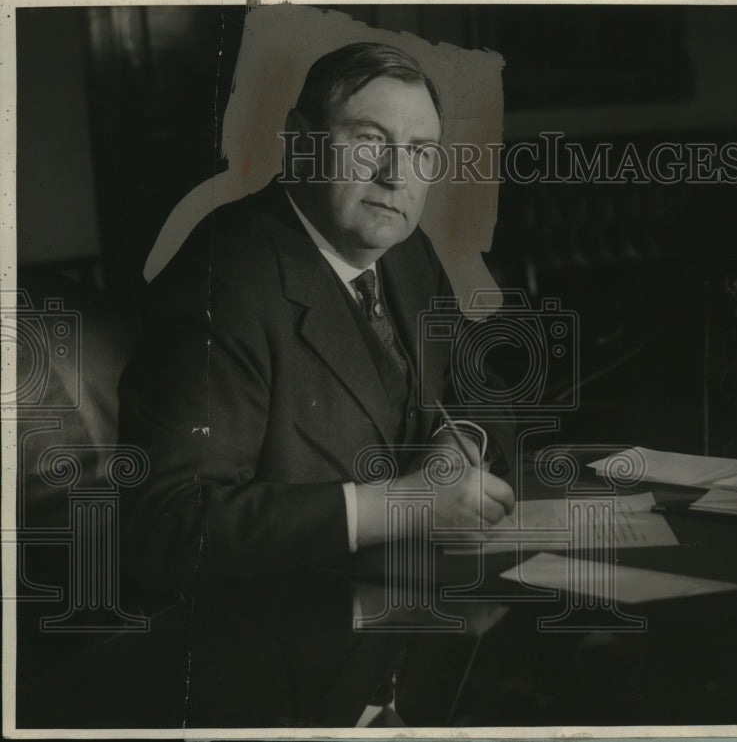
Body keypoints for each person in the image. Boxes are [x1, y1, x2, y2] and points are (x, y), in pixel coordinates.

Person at [117, 41, 515, 725]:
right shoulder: (226, 279)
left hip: (389, 643)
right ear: (299, 143)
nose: (397, 176)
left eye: (422, 151)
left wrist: (456, 446)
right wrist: (407, 504)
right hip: (264, 677)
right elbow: (168, 527)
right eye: (370, 141)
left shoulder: (405, 251)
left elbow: (476, 392)